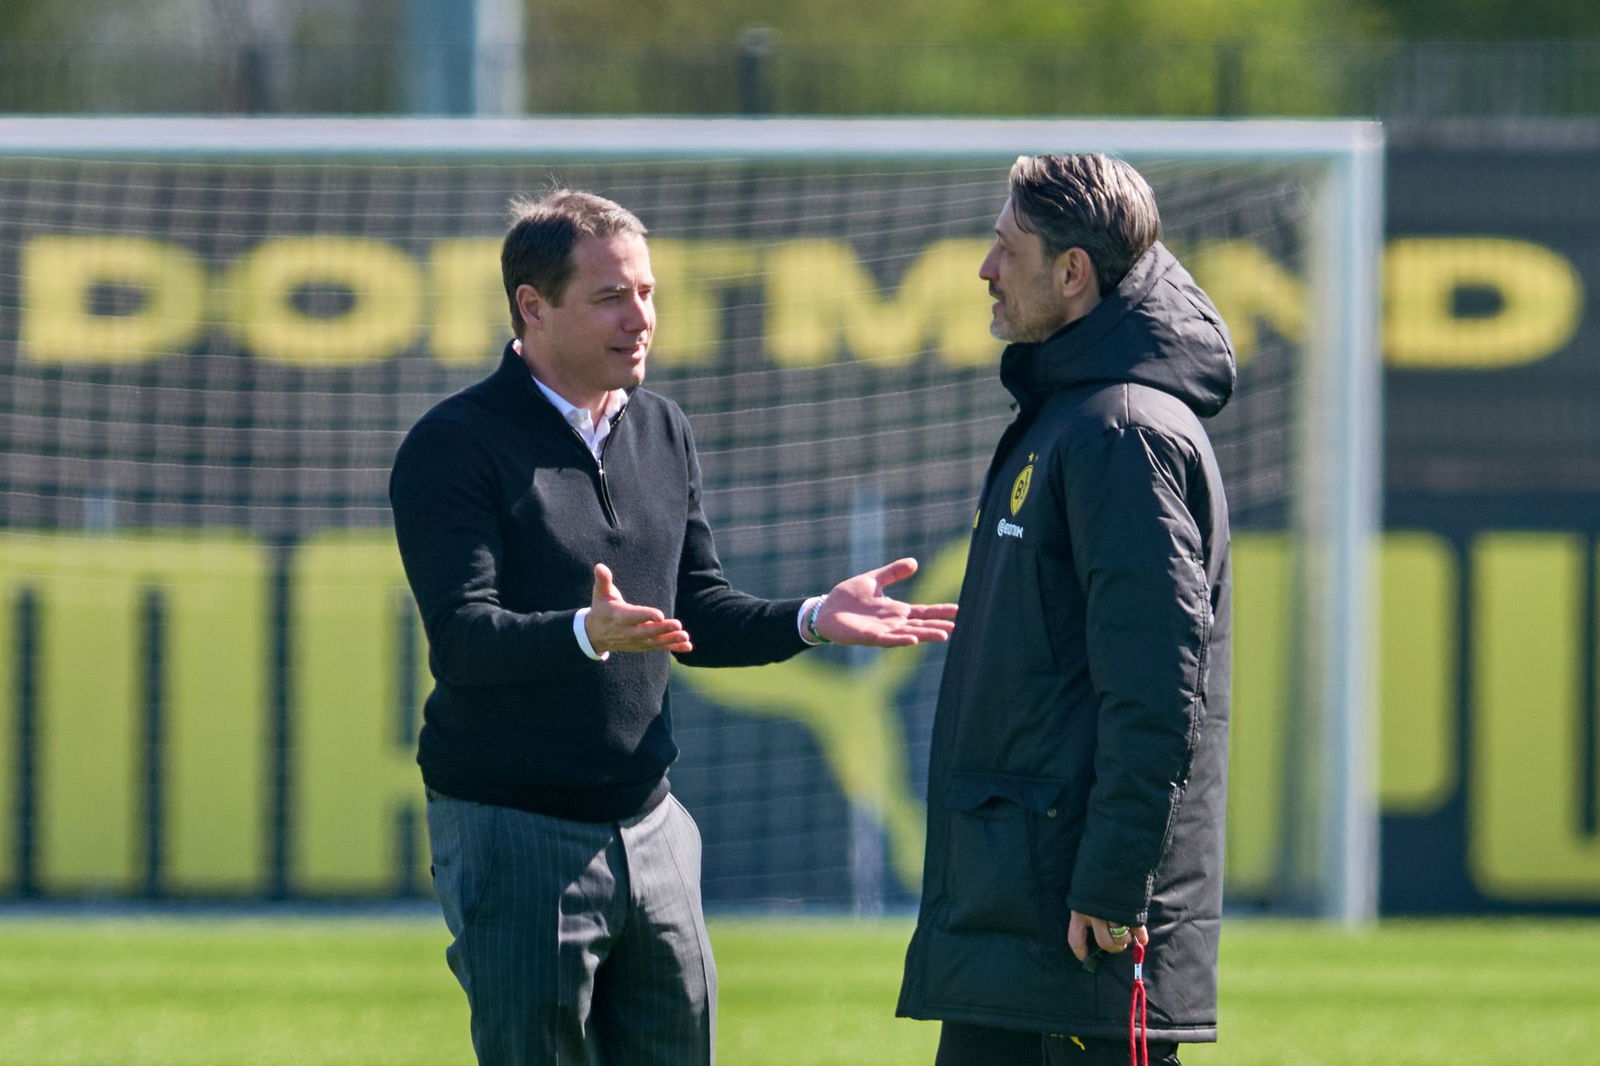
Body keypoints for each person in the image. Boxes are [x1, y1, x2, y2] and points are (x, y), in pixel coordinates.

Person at [389, 188, 957, 1066]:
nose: (641, 317)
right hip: (514, 831)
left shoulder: (661, 427)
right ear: (532, 309)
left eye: (647, 292)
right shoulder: (453, 444)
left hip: (654, 825)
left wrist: (813, 619)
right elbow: (464, 640)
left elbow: (699, 613)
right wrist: (586, 632)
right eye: (611, 297)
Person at [896, 154, 1234, 1066]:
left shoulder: (1122, 434)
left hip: (1078, 932)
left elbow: (1159, 694)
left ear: (1073, 272)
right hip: (1020, 921)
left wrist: (1115, 887)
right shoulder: (1071, 414)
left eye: (1006, 248)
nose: (985, 270)